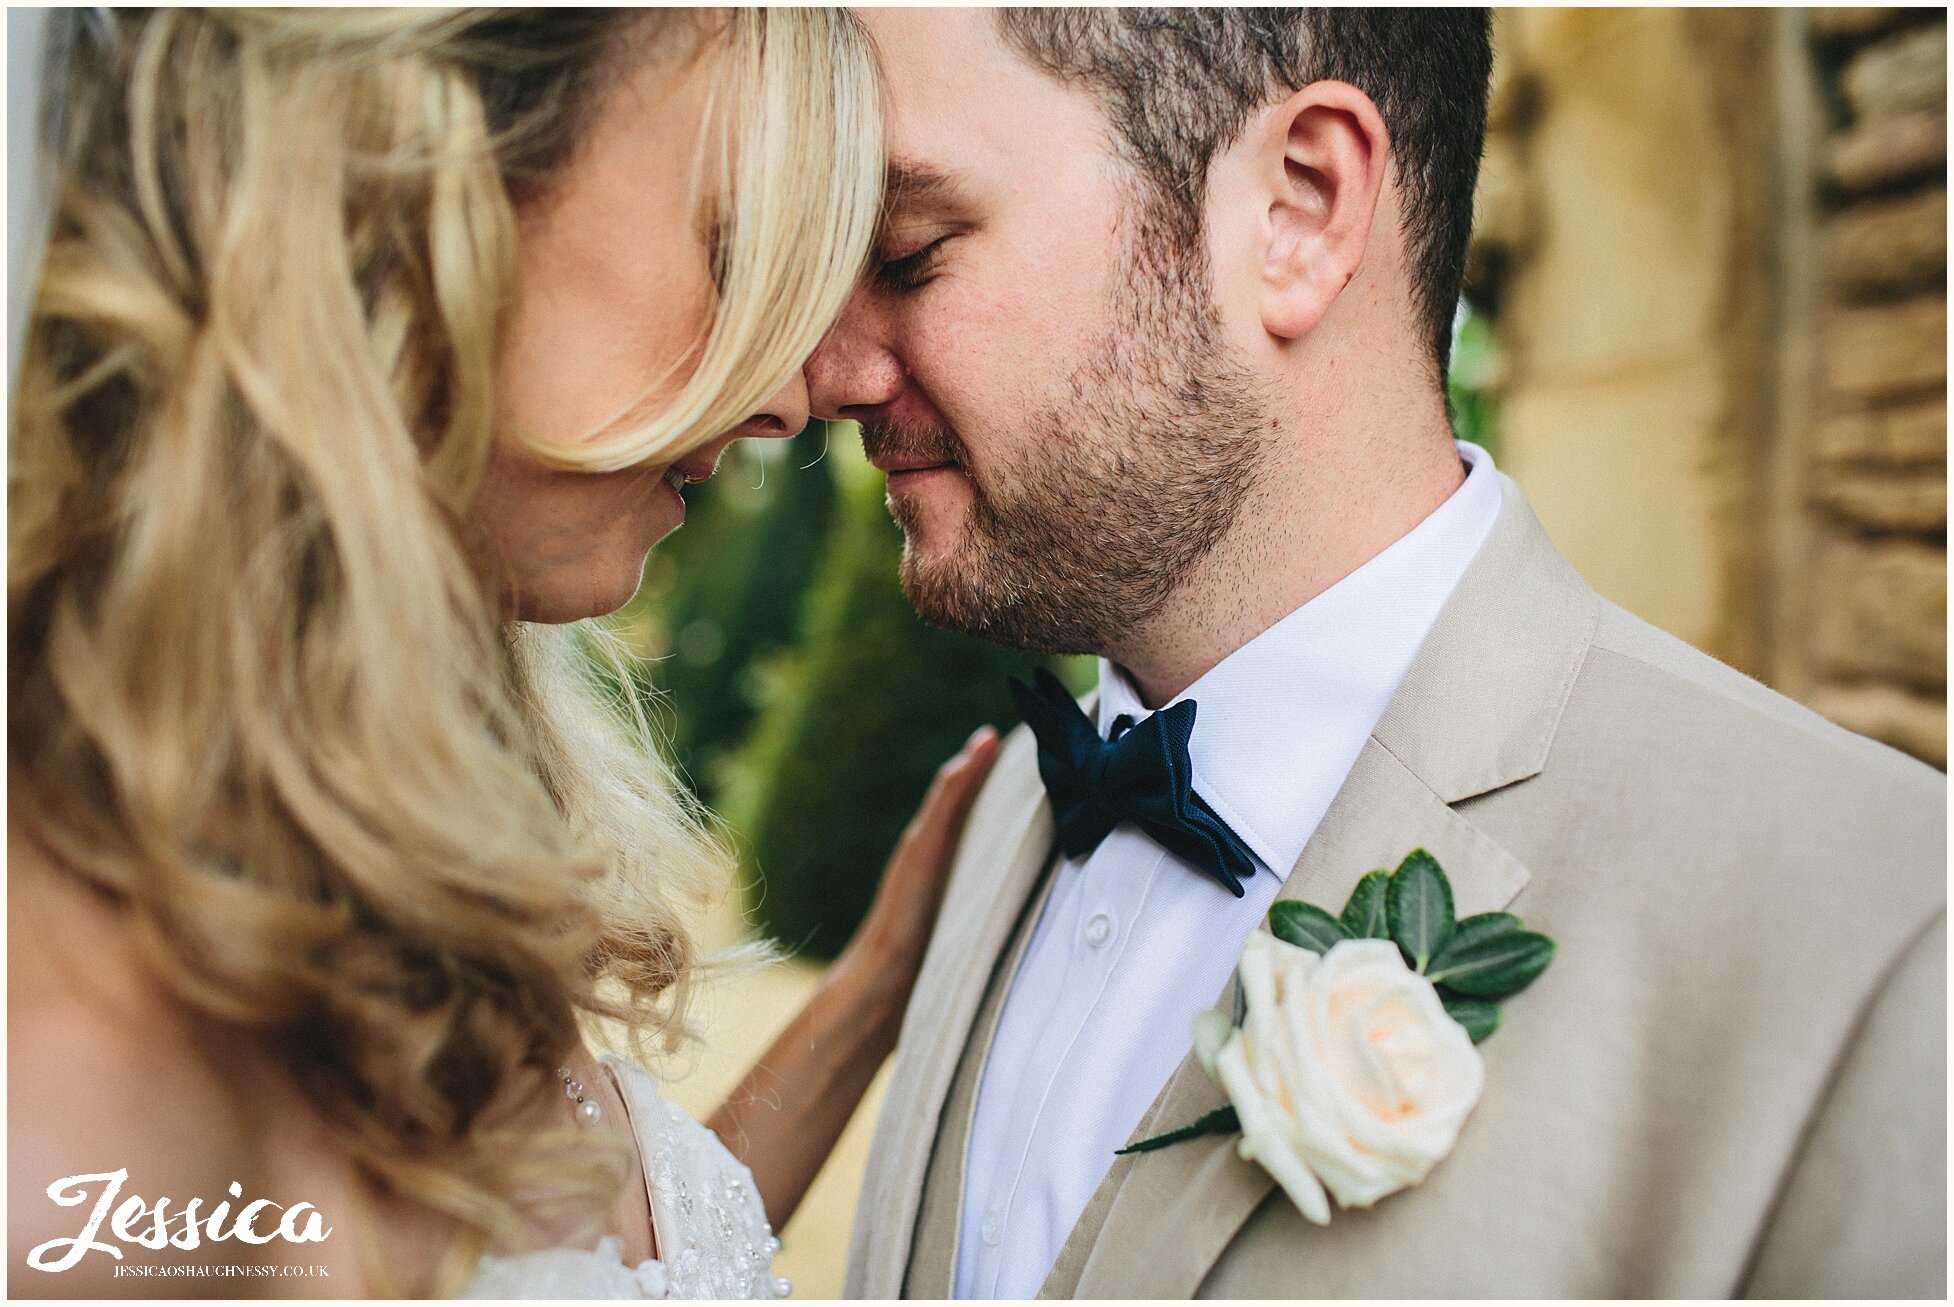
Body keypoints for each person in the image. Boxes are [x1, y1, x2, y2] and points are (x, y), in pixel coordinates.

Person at [808, 8, 1945, 1299]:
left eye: (906, 254)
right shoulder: (1000, 814)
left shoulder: (1887, 958)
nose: (827, 372)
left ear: (1297, 208)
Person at [9, 8, 999, 1299]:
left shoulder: (382, 840)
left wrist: (874, 990)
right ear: (423, 185)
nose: (790, 398)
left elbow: (604, 1251)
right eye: (734, 246)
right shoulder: (62, 1113)